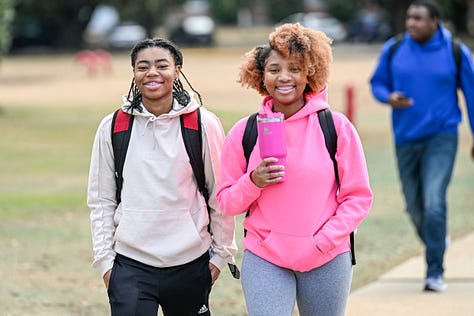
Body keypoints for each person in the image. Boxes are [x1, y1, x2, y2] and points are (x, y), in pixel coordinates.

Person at [216, 23, 373, 316]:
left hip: (326, 256)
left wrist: (323, 242)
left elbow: (358, 197)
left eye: (295, 68)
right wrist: (253, 181)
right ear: (261, 76)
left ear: (309, 73)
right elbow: (226, 202)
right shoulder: (244, 132)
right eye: (274, 69)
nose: (284, 77)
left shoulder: (336, 128)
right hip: (266, 257)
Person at [87, 37, 237, 315]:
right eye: (143, 66)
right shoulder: (113, 126)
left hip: (191, 262)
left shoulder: (203, 123)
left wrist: (220, 255)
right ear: (134, 72)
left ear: (177, 70)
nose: (152, 73)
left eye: (162, 65)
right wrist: (106, 263)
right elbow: (101, 200)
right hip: (130, 263)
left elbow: (220, 193)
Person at [370, 0, 474, 292]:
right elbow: (377, 84)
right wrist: (388, 97)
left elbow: (472, 94)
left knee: (433, 202)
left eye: (418, 18)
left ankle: (434, 271)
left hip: (442, 136)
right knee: (415, 207)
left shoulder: (455, 51)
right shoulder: (394, 47)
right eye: (409, 18)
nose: (411, 23)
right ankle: (438, 240)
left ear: (435, 21)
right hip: (405, 138)